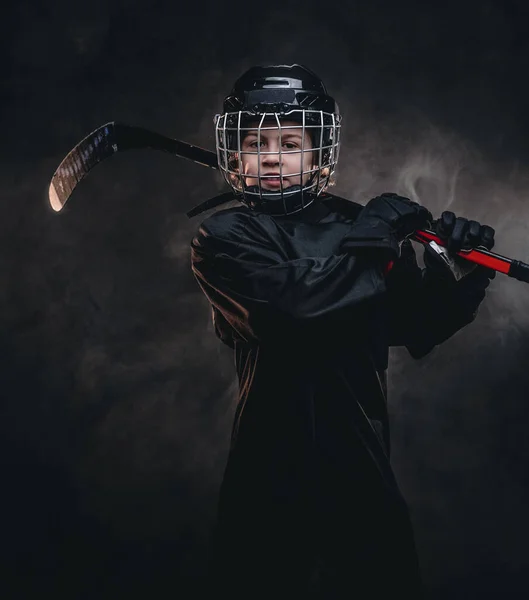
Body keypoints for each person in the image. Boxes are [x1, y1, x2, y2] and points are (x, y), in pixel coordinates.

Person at [189, 64, 495, 598]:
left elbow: (415, 324)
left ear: (318, 151)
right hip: (269, 482)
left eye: (290, 142)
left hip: (362, 477)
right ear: (234, 154)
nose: (272, 156)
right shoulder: (225, 235)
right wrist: (375, 238)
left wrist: (459, 275)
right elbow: (293, 311)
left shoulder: (357, 234)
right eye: (255, 142)